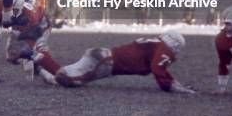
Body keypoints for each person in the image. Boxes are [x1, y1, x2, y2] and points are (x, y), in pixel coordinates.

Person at [54, 31, 195, 94]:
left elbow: (160, 68)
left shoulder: (156, 43)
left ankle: (48, 72)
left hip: (102, 55)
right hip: (106, 63)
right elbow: (158, 68)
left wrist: (175, 82)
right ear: (174, 43)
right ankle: (51, 73)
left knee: (67, 72)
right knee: (73, 80)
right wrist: (170, 86)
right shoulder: (164, 48)